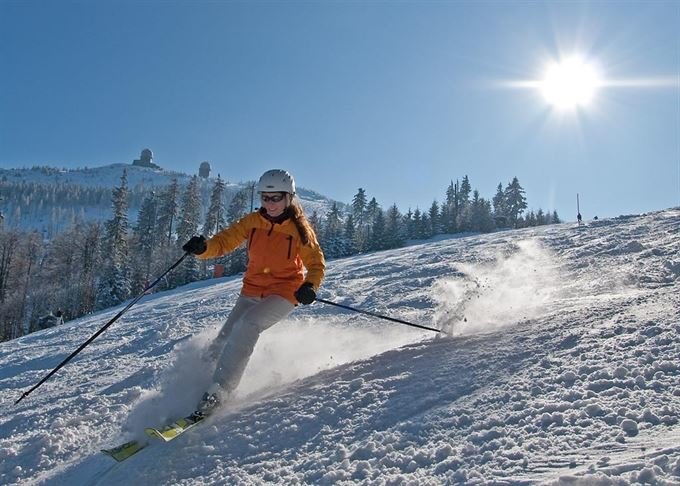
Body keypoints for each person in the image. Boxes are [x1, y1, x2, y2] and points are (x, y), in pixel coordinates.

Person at [182, 169, 325, 415]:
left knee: (248, 325)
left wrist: (310, 286)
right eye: (265, 198)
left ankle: (220, 392)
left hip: (284, 293)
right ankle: (194, 391)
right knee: (223, 341)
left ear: (289, 197)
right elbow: (224, 242)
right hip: (251, 290)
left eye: (276, 198)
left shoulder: (300, 230)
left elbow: (316, 264)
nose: (269, 204)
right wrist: (203, 248)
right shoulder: (252, 222)